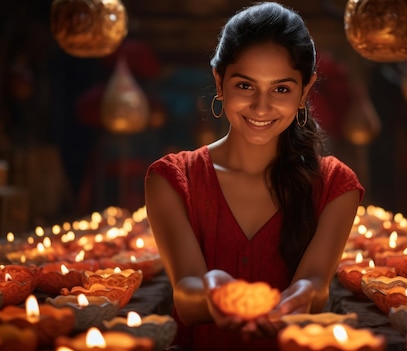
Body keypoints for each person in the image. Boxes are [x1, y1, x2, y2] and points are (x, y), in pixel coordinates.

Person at [144, 2, 364, 350]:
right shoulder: (172, 179)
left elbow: (316, 287)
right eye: (245, 86)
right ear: (220, 81)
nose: (261, 108)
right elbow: (186, 294)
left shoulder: (335, 185)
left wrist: (302, 295)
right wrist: (214, 289)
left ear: (305, 91)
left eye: (281, 89)